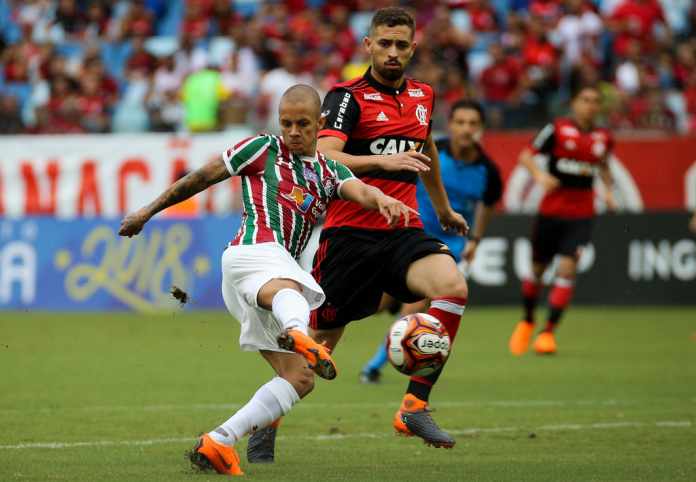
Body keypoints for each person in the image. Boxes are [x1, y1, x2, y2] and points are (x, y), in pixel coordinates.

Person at [118, 84, 415, 476]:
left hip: (262, 282)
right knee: (292, 288)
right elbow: (202, 177)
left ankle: (220, 441)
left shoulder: (328, 170)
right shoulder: (261, 148)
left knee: (300, 378)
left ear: (320, 124)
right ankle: (299, 332)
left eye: (303, 124)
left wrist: (382, 199)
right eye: (286, 123)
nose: (293, 131)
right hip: (251, 253)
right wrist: (147, 210)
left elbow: (357, 190)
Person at [250, 8, 470, 456]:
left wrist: (443, 208)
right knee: (313, 357)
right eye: (384, 44)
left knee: (452, 287)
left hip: (403, 230)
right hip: (350, 237)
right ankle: (265, 421)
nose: (392, 53)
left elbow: (424, 147)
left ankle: (414, 405)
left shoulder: (424, 96)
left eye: (401, 45)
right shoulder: (347, 98)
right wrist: (381, 162)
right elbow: (323, 155)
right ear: (368, 45)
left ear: (413, 48)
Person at [360, 99, 503, 383]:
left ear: (482, 129)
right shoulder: (429, 152)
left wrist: (475, 238)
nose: (466, 129)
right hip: (409, 236)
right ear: (450, 125)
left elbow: (485, 207)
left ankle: (375, 366)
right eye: (460, 122)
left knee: (416, 305)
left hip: (449, 247)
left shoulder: (489, 171)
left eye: (472, 123)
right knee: (373, 303)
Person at [508, 84, 616, 356]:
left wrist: (609, 191)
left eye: (594, 101)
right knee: (537, 271)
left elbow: (603, 164)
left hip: (581, 215)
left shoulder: (604, 137)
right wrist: (539, 176)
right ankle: (528, 320)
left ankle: (548, 333)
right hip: (550, 213)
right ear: (574, 103)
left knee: (568, 269)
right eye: (585, 99)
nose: (590, 105)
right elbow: (525, 156)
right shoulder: (555, 129)